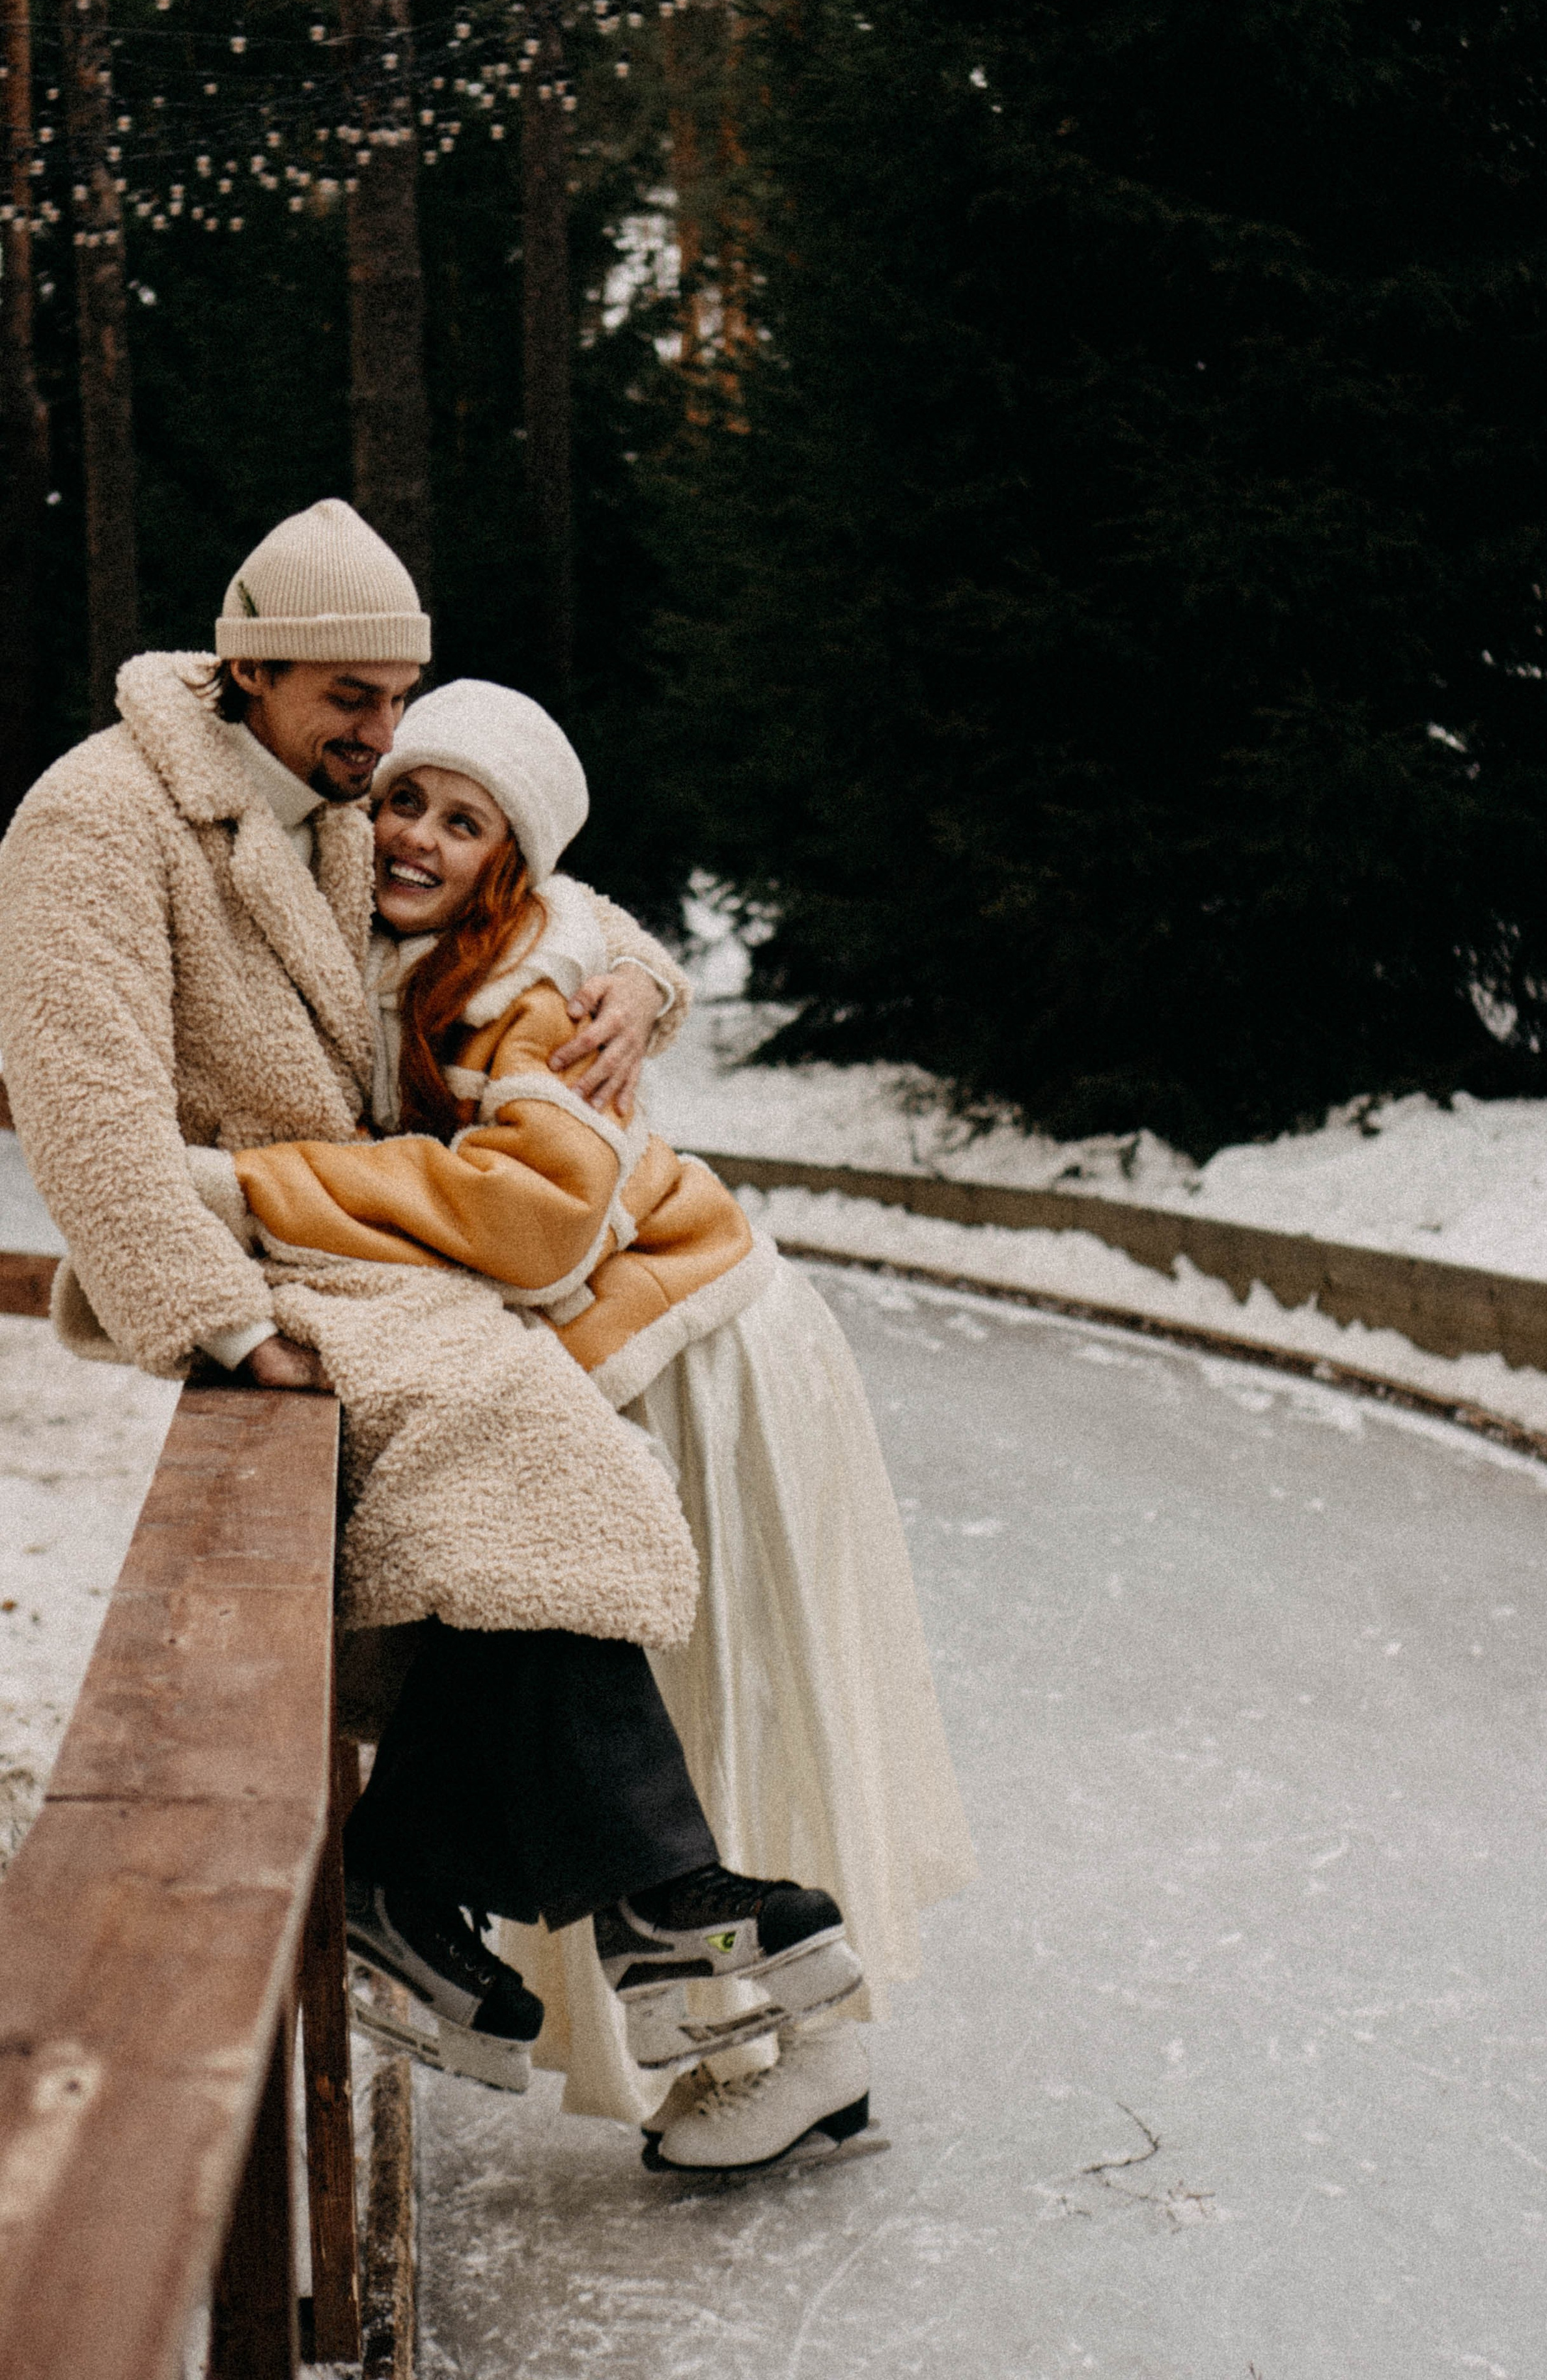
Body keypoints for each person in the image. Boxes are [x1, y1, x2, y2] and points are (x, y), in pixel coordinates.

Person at [0, 500, 864, 2140]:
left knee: (516, 1481)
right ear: (247, 664)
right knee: (525, 1442)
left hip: (370, 1248)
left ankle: (445, 1888)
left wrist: (641, 984)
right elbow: (85, 1111)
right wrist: (214, 1323)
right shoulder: (94, 821)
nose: (385, 741)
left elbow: (531, 897)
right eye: (352, 700)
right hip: (250, 1257)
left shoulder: (335, 799)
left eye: (399, 703)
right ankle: (644, 1892)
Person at [223, 677, 976, 2170]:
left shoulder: (520, 989)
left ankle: (787, 2042)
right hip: (637, 1343)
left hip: (695, 1348)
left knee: (726, 1683)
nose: (417, 836)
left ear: (510, 860)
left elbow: (541, 1226)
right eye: (402, 799)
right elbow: (591, 912)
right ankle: (514, 1915)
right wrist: (644, 968)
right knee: (567, 1609)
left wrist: (258, 1188)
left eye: (462, 819)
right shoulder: (440, 948)